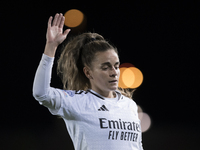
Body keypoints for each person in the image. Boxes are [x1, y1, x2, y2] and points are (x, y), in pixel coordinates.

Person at [33, 13, 144, 150]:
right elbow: (41, 93)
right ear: (88, 72)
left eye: (116, 66)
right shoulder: (78, 102)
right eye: (105, 67)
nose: (114, 72)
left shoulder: (129, 105)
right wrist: (51, 46)